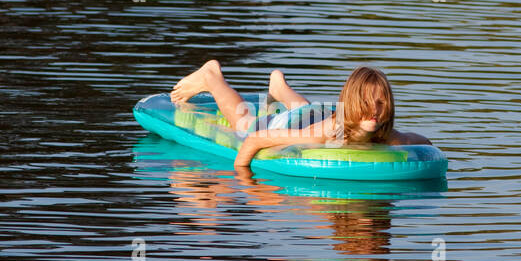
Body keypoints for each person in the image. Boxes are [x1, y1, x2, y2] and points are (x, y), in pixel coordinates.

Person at [169, 60, 431, 167]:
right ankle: (212, 76)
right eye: (366, 101)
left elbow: (426, 145)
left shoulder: (389, 137)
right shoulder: (329, 133)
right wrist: (244, 180)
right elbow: (255, 140)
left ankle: (279, 88)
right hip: (304, 120)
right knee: (244, 122)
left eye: (381, 102)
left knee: (308, 113)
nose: (375, 110)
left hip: (317, 113)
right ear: (352, 103)